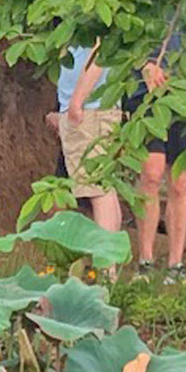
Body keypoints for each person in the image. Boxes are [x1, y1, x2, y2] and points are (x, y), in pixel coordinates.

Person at [124, 32, 186, 282]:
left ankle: (175, 265)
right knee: (151, 174)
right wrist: (144, 64)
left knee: (180, 183)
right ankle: (145, 261)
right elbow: (122, 40)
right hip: (146, 96)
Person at [56, 42, 122, 237]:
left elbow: (102, 51)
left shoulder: (94, 16)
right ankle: (109, 261)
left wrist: (76, 102)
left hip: (90, 110)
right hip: (89, 110)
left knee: (97, 190)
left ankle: (105, 263)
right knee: (103, 188)